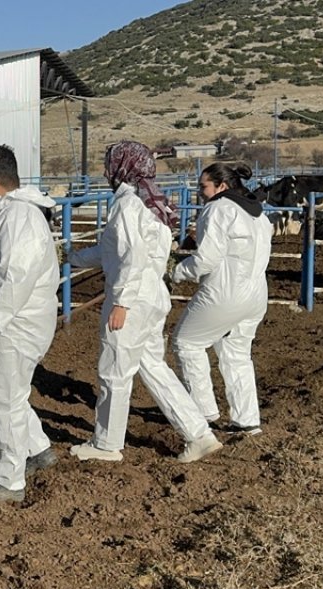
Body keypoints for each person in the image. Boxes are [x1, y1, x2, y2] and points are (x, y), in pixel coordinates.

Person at [68, 141, 223, 463]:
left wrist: (121, 303)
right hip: (152, 296)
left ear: (121, 166)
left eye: (109, 163)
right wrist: (73, 257)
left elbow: (131, 256)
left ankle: (107, 444)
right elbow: (116, 251)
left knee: (114, 371)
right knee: (152, 365)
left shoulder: (127, 203)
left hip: (132, 299)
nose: (106, 170)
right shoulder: (153, 203)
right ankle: (198, 434)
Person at [0, 145, 61, 504]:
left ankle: (9, 479)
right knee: (5, 389)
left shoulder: (17, 217)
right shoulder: (16, 213)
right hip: (24, 318)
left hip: (16, 322)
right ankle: (38, 449)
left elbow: (16, 276)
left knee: (2, 401)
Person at [171, 162, 273, 436]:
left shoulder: (217, 209)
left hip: (225, 292)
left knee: (186, 343)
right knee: (237, 354)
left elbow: (206, 259)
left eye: (203, 186)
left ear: (221, 186)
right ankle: (247, 420)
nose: (200, 192)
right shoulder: (258, 215)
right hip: (256, 293)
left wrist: (176, 272)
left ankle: (203, 413)